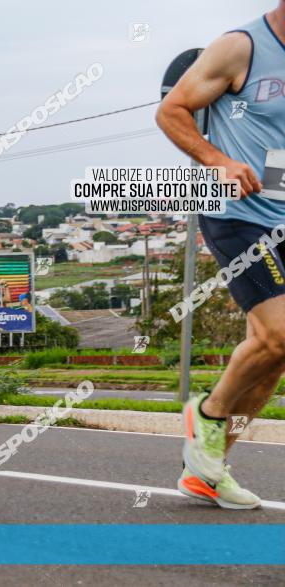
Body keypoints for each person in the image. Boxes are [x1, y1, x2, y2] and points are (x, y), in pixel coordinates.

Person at [155, 3, 285, 509]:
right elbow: (172, 110)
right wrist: (219, 160)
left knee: (272, 356)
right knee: (279, 334)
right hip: (237, 214)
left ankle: (207, 468)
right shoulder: (241, 47)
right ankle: (207, 416)